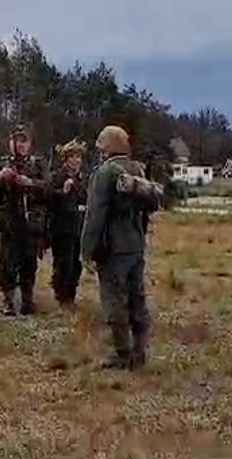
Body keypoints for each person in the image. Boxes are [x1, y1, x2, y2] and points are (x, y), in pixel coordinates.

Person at [80, 125, 164, 370]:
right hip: (135, 243)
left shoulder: (104, 172)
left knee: (114, 299)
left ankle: (122, 353)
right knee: (137, 297)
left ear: (106, 146)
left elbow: (95, 215)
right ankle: (140, 350)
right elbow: (148, 206)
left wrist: (86, 249)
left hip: (113, 247)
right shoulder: (136, 169)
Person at [0, 124, 50, 316]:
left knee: (29, 263)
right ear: (11, 143)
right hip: (9, 222)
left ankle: (27, 299)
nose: (21, 145)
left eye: (24, 141)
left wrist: (31, 183)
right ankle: (8, 300)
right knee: (7, 264)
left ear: (30, 144)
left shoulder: (38, 164)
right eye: (17, 141)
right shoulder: (1, 164)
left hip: (31, 222)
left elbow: (49, 189)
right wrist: (1, 179)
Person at [47, 139, 87, 308]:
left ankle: (71, 294)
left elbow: (85, 198)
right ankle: (62, 295)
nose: (76, 160)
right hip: (62, 228)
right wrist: (61, 193)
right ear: (66, 159)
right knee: (64, 262)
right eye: (72, 157)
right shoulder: (58, 176)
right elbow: (47, 196)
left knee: (76, 264)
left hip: (78, 227)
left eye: (78, 157)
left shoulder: (82, 178)